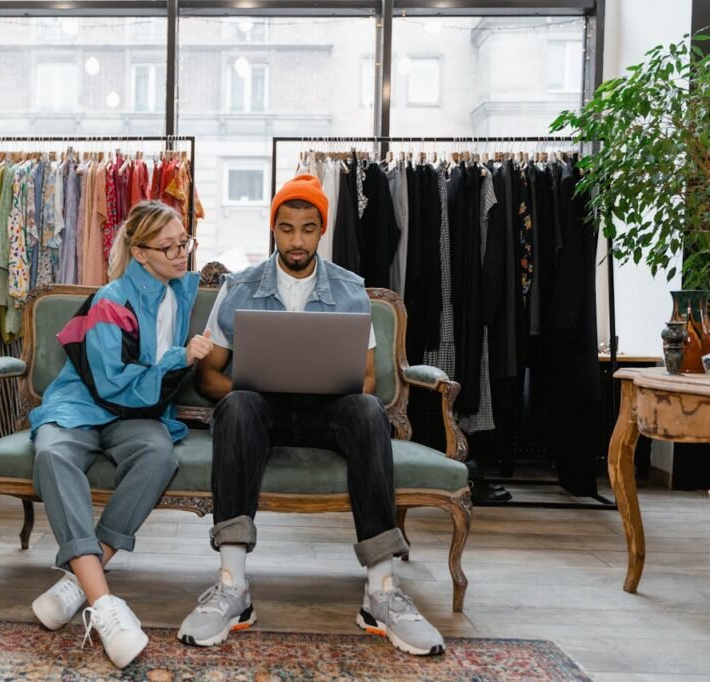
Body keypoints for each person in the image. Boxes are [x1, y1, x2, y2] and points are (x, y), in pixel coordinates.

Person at [177, 175, 445, 656]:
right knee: (237, 405)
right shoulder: (238, 288)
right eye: (285, 228)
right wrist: (254, 384)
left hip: (327, 414)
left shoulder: (349, 289)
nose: (296, 240)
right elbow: (208, 377)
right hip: (262, 414)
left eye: (306, 228)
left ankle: (381, 592)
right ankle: (232, 586)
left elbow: (367, 379)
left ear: (322, 229)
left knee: (366, 410)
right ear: (273, 230)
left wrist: (325, 384)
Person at [28, 201, 214, 669]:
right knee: (52, 454)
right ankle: (105, 606)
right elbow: (111, 384)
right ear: (139, 252)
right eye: (167, 246)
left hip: (138, 414)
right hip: (85, 405)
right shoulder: (113, 300)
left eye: (184, 243)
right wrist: (179, 357)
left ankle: (81, 578)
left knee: (158, 456)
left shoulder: (179, 292)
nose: (180, 253)